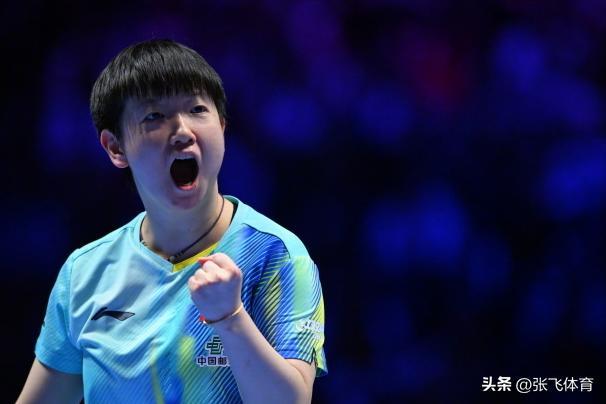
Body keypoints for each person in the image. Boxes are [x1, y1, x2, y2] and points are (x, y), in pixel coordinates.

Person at [17, 39, 327, 403]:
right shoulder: (85, 272)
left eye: (197, 109)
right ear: (115, 147)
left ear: (222, 127)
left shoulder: (277, 255)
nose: (182, 131)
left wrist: (230, 318)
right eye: (155, 116)